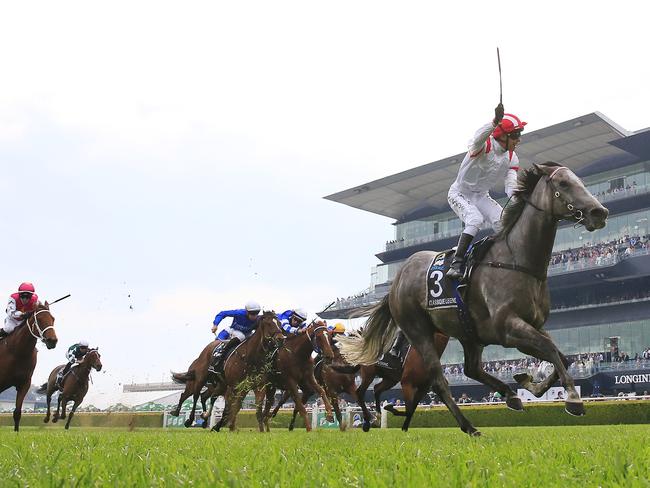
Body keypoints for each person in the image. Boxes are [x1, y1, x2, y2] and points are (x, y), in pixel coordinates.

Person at [446, 103, 526, 280]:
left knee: (503, 222)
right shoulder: (483, 146)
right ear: (502, 136)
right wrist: (495, 122)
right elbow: (477, 138)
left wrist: (520, 199)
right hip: (460, 193)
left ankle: (503, 261)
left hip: (481, 196)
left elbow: (510, 186)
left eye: (519, 135)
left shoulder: (512, 157)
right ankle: (456, 263)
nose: (518, 140)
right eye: (515, 135)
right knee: (475, 219)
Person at [208, 301, 262, 374]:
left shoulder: (258, 319)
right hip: (233, 331)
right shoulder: (239, 313)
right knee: (241, 336)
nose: (254, 316)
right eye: (252, 313)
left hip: (247, 334)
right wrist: (215, 324)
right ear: (246, 311)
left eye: (256, 313)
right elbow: (222, 313)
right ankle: (219, 357)